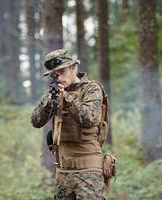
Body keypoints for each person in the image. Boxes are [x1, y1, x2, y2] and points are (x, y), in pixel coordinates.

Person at [31, 49, 107, 199]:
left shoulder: (91, 88)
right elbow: (35, 121)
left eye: (62, 71)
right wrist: (49, 102)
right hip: (63, 173)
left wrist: (66, 98)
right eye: (54, 74)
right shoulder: (54, 93)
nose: (58, 77)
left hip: (88, 172)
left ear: (73, 67)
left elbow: (89, 119)